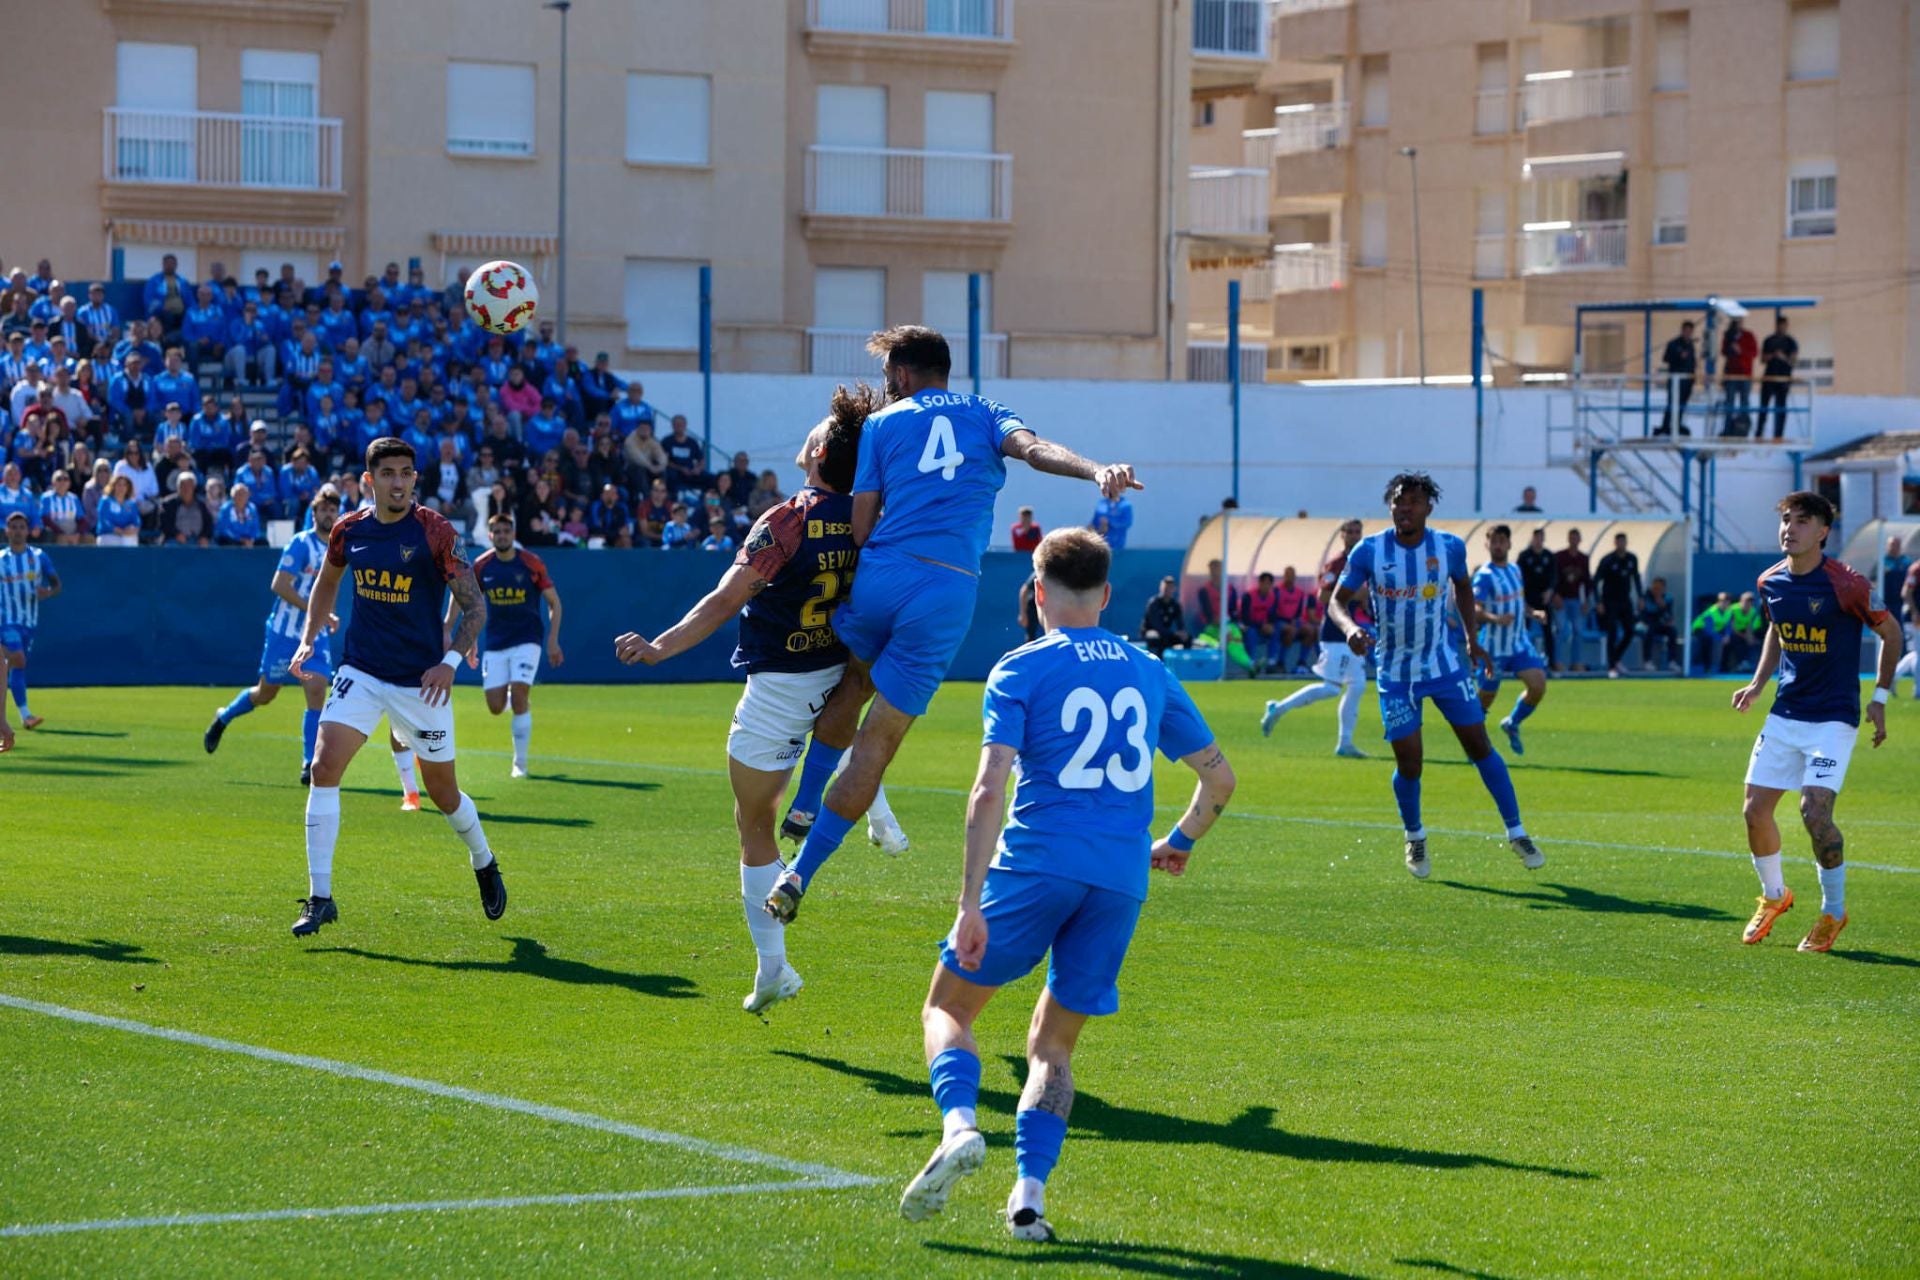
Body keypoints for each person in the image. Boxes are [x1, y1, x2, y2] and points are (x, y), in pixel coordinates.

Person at [899, 527, 1233, 1240]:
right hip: (1118, 880)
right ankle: (1028, 1200)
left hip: (1037, 864)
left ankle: (959, 1126)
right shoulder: (1150, 669)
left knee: (946, 1008)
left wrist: (968, 902)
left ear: (1037, 591)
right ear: (1107, 594)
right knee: (1053, 1048)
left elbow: (990, 787)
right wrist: (1179, 840)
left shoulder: (1019, 668)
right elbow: (1219, 778)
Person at [766, 327, 1140, 924]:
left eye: (890, 375)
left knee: (854, 682)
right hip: (946, 589)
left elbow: (861, 527)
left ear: (905, 375)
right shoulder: (988, 413)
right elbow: (1036, 451)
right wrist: (1097, 471)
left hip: (885, 572)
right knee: (879, 742)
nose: (888, 384)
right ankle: (800, 873)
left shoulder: (884, 425)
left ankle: (805, 802)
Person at [614, 388, 908, 1010]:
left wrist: (660, 647)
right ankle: (875, 810)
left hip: (779, 687)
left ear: (820, 451)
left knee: (753, 825)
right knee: (842, 725)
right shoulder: (873, 516)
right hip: (841, 672)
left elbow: (727, 598)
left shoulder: (787, 519)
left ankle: (773, 968)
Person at [285, 437, 504, 937]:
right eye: (388, 473)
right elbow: (326, 581)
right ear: (370, 481)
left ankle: (483, 859)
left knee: (444, 793)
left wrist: (449, 663)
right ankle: (321, 898)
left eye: (406, 473)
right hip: (360, 670)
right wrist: (308, 638)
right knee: (323, 765)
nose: (399, 482)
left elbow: (474, 607)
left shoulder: (435, 532)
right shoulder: (349, 531)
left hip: (420, 684)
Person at [1325, 473, 1542, 879]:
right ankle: (1415, 835)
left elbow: (1463, 588)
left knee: (1480, 746)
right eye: (1397, 502)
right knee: (1410, 764)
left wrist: (1473, 642)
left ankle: (1517, 831)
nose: (1404, 509)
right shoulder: (1369, 552)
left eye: (1413, 502)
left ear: (1428, 508)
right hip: (1395, 673)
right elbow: (1336, 603)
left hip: (1444, 665)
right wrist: (1351, 628)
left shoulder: (1449, 547)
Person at [1732, 491, 1901, 954]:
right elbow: (1777, 627)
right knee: (1754, 810)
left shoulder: (1846, 584)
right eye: (1786, 520)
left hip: (1833, 719)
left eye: (1802, 521)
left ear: (1823, 531)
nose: (1790, 528)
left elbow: (1891, 632)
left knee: (1814, 813)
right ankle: (1774, 896)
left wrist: (1880, 697)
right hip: (1787, 713)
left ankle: (1833, 911)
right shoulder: (1771, 581)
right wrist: (1758, 683)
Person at [205, 486, 345, 781]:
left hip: (315, 635)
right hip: (284, 633)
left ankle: (309, 763)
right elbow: (280, 584)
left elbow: (329, 589)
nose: (329, 513)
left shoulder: (336, 549)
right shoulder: (300, 543)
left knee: (317, 689)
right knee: (265, 693)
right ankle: (224, 717)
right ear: (315, 512)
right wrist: (315, 611)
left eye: (334, 509)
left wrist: (326, 615)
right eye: (324, 508)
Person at [1262, 518, 1371, 757]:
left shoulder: (1361, 561)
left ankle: (1345, 743)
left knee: (1358, 685)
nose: (1354, 535)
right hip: (1335, 633)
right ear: (1342, 535)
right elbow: (1323, 597)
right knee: (1332, 689)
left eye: (1357, 532)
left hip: (1351, 632)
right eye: (1350, 532)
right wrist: (1358, 594)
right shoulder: (1336, 563)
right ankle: (1278, 709)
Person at [1470, 525, 1549, 755]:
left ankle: (1512, 724)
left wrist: (1533, 613)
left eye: (1502, 541)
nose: (1498, 545)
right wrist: (1495, 618)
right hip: (1493, 648)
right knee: (1485, 699)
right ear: (1487, 545)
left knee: (1538, 686)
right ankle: (1473, 743)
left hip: (1517, 644)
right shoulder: (1484, 576)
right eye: (1493, 541)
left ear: (1509, 544)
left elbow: (1517, 602)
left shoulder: (1515, 570)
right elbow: (1475, 609)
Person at [0, 511, 59, 729]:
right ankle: (25, 714)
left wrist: (48, 592)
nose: (17, 531)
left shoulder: (39, 556)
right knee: (18, 659)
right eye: (13, 527)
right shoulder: (1, 559)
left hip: (29, 621)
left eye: (21, 527)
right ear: (7, 531)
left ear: (27, 531)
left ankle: (26, 717)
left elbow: (56, 584)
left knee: (17, 667)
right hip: (5, 620)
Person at [1594, 531, 1643, 677]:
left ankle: (1615, 659)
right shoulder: (1608, 560)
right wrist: (1599, 602)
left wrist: (1640, 597)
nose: (1621, 545)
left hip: (1625, 600)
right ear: (1615, 543)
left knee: (1630, 631)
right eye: (1618, 542)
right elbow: (1596, 581)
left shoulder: (1632, 559)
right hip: (1610, 601)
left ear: (1626, 543)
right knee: (1612, 632)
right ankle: (1612, 667)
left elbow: (1636, 578)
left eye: (1623, 542)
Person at [1516, 526, 1558, 664]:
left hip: (1544, 600)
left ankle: (1551, 662)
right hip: (1528, 600)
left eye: (1541, 537)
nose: (1538, 540)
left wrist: (1550, 592)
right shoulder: (1524, 556)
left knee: (1548, 631)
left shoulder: (1549, 556)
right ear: (1532, 538)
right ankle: (1522, 660)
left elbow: (1554, 577)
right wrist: (1522, 599)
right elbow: (1518, 578)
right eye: (1536, 537)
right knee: (1523, 631)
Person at [1551, 528, 1591, 672]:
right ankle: (1558, 662)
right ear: (1568, 539)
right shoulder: (1559, 557)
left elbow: (1587, 582)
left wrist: (1585, 601)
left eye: (1576, 538)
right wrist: (1555, 595)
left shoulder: (1583, 559)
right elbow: (1553, 578)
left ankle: (1576, 662)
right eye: (1571, 538)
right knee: (1561, 631)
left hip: (1576, 600)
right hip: (1561, 600)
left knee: (1578, 631)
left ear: (1580, 540)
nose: (1574, 540)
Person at [1759, 316, 1798, 440]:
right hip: (1769, 378)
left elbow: (1793, 361)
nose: (1781, 328)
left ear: (1786, 326)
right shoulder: (1769, 340)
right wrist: (1772, 356)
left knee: (1781, 407)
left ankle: (1778, 435)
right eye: (1779, 325)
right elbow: (1763, 359)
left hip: (1783, 379)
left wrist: (1783, 357)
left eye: (1783, 325)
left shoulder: (1791, 342)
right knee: (1763, 407)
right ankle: (1759, 433)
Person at [1656, 321, 1696, 436]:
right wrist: (1679, 356)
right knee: (1672, 403)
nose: (1688, 333)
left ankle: (1677, 425)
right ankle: (1666, 426)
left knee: (1682, 405)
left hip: (1687, 382)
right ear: (1682, 330)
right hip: (1676, 381)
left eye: (1690, 331)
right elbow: (1666, 358)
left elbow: (1692, 362)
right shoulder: (1674, 344)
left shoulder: (1690, 345)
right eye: (1686, 331)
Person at [1720, 316, 1756, 437]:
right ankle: (1727, 430)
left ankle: (1742, 430)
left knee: (1744, 403)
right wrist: (1730, 343)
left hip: (1745, 375)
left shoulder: (1749, 335)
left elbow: (1754, 353)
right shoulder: (1729, 336)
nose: (1737, 324)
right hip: (1731, 375)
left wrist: (1741, 350)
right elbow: (1723, 351)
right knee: (1729, 403)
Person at [1637, 577, 1681, 671]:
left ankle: (1672, 662)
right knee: (1649, 630)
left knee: (1672, 631)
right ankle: (1647, 661)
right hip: (1645, 624)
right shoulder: (1645, 597)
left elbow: (1669, 616)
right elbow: (1642, 615)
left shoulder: (1668, 598)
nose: (1656, 590)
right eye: (1655, 588)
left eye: (1659, 588)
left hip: (1659, 624)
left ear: (1664, 589)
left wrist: (1663, 607)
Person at [158, 472, 213, 546]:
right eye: (182, 485)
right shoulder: (168, 504)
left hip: (198, 540)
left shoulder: (202, 504)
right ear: (178, 487)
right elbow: (164, 523)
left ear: (194, 487)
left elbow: (209, 524)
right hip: (174, 539)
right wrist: (176, 534)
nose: (186, 488)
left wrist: (204, 536)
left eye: (189, 485)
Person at [1139, 575, 1189, 655]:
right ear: (1161, 588)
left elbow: (1180, 623)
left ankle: (1184, 662)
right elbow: (1157, 626)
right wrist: (1173, 634)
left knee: (1187, 638)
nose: (1167, 590)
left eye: (1170, 587)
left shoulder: (1175, 605)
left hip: (1166, 633)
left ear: (1174, 589)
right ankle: (1158, 663)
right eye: (1165, 587)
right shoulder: (1153, 603)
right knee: (1158, 638)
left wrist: (1182, 633)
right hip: (1150, 631)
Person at [1692, 592, 1737, 672]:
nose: (1724, 603)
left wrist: (1727, 636)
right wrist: (1720, 638)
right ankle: (1707, 667)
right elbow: (1708, 629)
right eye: (1722, 601)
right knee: (1707, 640)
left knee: (1731, 640)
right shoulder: (1711, 612)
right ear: (1718, 602)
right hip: (1699, 629)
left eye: (1727, 601)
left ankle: (1724, 667)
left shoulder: (1729, 612)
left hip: (1716, 631)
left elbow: (1728, 626)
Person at [1726, 591, 1766, 672]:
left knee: (1752, 641)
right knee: (1736, 640)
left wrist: (1749, 637)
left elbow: (1749, 627)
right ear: (1741, 600)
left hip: (1742, 632)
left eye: (1751, 601)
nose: (1749, 603)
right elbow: (1731, 626)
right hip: (1729, 632)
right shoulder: (1733, 609)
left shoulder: (1752, 611)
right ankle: (1740, 663)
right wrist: (1744, 636)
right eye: (1747, 600)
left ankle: (1748, 664)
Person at [215, 482, 263, 546]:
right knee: (225, 540)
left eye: (244, 494)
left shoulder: (252, 508)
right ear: (233, 496)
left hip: (248, 539)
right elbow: (224, 529)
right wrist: (240, 539)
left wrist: (251, 539)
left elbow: (256, 528)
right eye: (238, 494)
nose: (241, 497)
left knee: (263, 542)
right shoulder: (225, 509)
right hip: (233, 538)